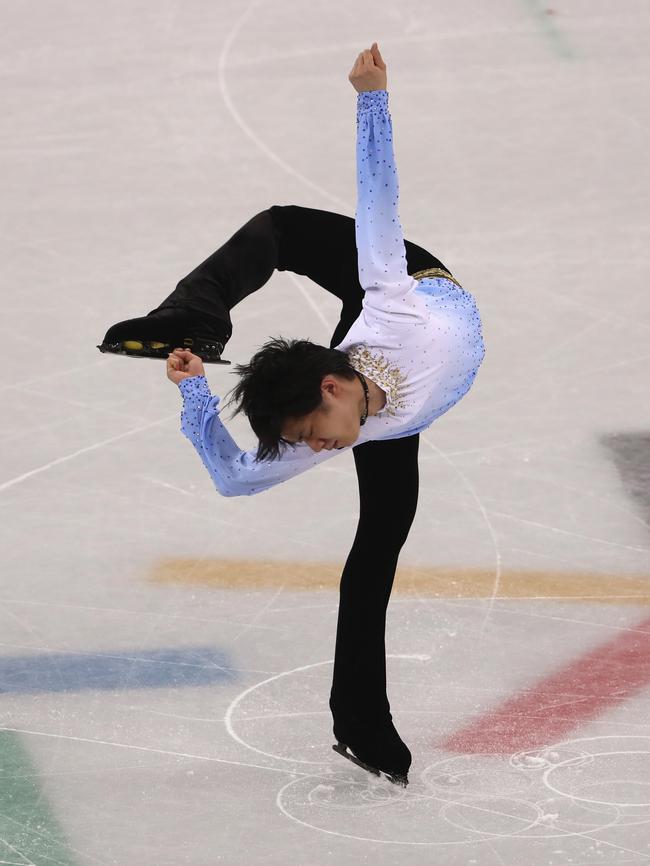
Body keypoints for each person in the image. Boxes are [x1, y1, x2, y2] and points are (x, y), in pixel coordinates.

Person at [97, 43, 486, 786]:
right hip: (385, 401)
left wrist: (372, 96)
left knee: (283, 227)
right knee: (374, 556)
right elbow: (237, 480)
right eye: (303, 442)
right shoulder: (329, 421)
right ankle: (364, 730)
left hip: (410, 289)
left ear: (331, 392)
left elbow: (379, 199)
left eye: (308, 433)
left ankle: (355, 720)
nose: (313, 452)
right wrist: (193, 393)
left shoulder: (390, 298)